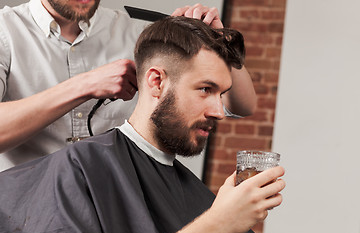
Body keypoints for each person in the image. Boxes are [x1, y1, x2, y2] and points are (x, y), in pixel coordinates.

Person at [0, 16, 285, 233]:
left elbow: (245, 106)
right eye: (205, 89)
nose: (219, 112)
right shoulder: (80, 171)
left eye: (221, 93)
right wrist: (217, 225)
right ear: (156, 82)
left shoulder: (198, 194)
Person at [0, 0, 257, 171]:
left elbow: (242, 106)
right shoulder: (5, 31)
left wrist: (219, 45)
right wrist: (85, 85)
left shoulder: (139, 30)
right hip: (25, 209)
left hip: (116, 207)